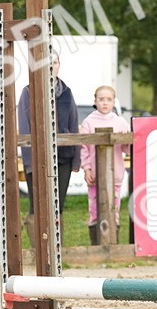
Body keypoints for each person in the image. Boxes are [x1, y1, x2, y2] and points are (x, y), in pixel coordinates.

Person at [17, 51, 79, 216]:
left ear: (59, 65)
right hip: (38, 159)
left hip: (64, 157)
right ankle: (37, 242)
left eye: (55, 62)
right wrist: (30, 162)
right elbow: (24, 128)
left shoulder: (67, 92)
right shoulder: (28, 92)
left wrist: (76, 159)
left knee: (58, 207)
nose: (51, 66)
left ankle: (57, 242)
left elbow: (73, 126)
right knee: (37, 208)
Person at [79, 85, 130, 245]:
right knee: (94, 209)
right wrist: (86, 168)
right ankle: (96, 244)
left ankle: (113, 243)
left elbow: (127, 148)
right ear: (95, 101)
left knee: (114, 208)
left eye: (109, 99)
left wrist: (125, 139)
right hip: (95, 174)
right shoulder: (88, 122)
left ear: (114, 101)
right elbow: (83, 148)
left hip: (115, 175)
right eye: (101, 99)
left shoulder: (120, 122)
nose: (105, 103)